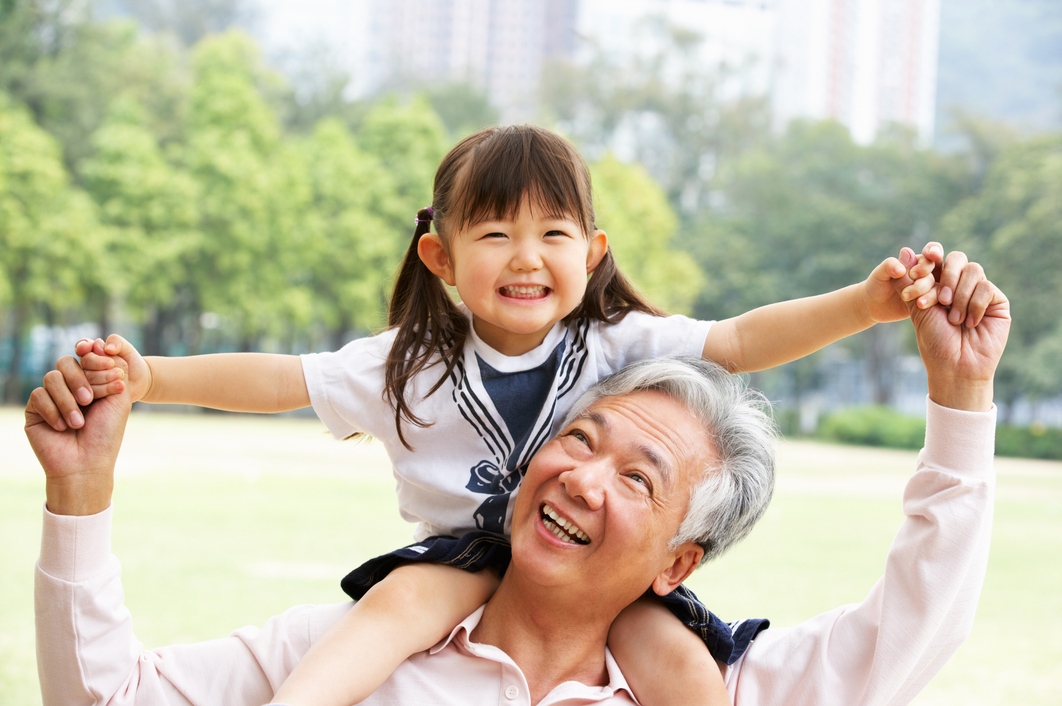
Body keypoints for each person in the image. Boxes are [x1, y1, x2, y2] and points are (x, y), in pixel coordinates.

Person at [37, 125, 944, 706]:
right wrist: (150, 375)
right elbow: (278, 379)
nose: (526, 256)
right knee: (391, 610)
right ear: (439, 254)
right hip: (463, 562)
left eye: (553, 234)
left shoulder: (619, 345)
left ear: (591, 253)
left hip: (596, 580)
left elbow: (742, 340)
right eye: (495, 233)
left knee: (678, 665)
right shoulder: (404, 365)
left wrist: (865, 306)